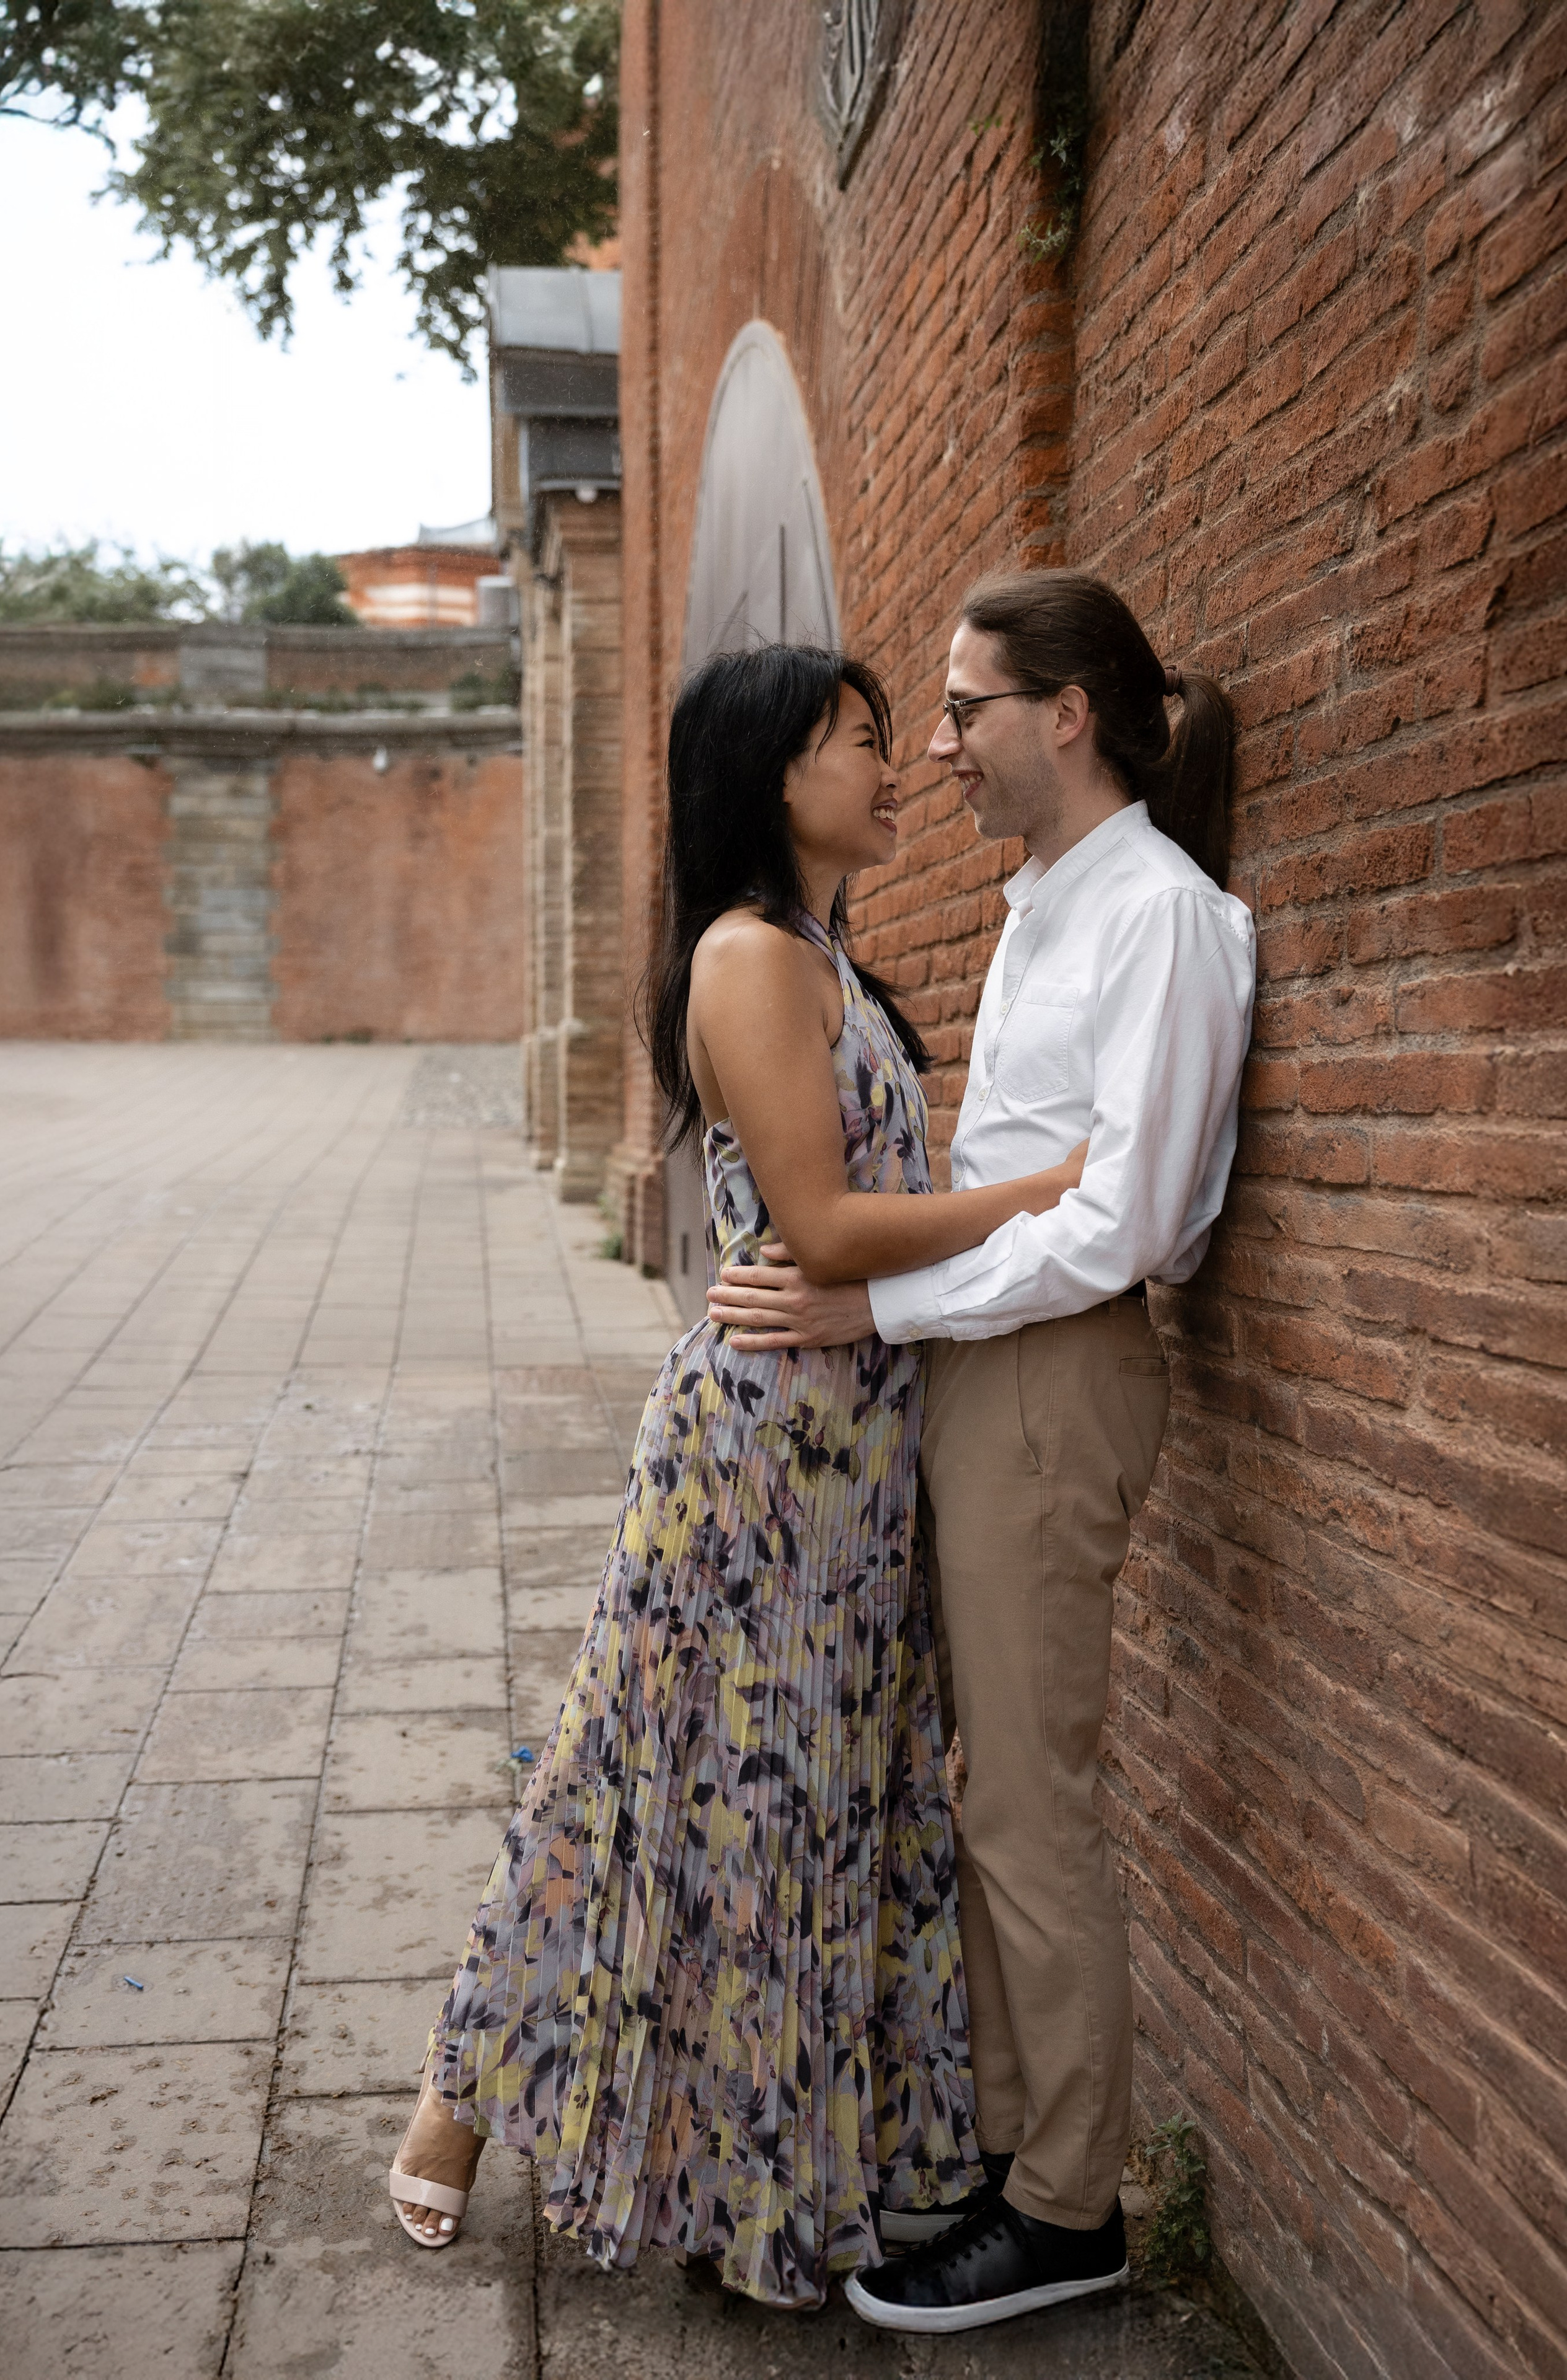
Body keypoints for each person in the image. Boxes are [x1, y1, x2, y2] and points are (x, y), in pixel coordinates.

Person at [384, 644, 1090, 2311]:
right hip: (761, 1467)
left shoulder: (832, 962)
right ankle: (452, 2106)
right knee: (639, 1785)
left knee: (798, 1811)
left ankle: (785, 2164)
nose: (895, 763)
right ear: (780, 773)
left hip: (851, 1461)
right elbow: (828, 1229)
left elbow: (861, 1222)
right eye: (862, 742)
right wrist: (1060, 1186)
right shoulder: (752, 960)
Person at [707, 571, 1256, 2335]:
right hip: (982, 1367)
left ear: (1069, 716)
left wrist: (886, 1313)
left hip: (1047, 1372)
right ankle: (1014, 2152)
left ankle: (1069, 2210)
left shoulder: (1156, 917)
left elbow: (1133, 1220)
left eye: (963, 708)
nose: (933, 743)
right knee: (983, 1790)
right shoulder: (1054, 902)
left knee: (1031, 1800)